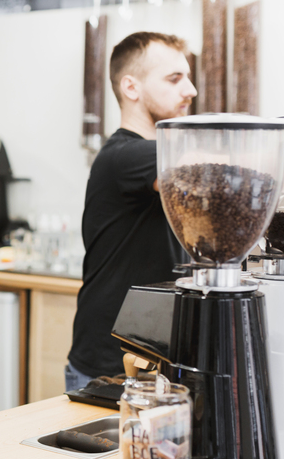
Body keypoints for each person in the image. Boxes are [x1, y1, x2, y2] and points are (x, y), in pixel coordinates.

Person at [65, 32, 197, 392]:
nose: (191, 90)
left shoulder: (156, 160)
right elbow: (208, 169)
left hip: (156, 360)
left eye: (188, 77)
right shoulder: (123, 157)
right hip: (111, 367)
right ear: (131, 88)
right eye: (174, 79)